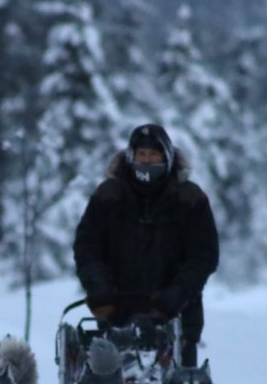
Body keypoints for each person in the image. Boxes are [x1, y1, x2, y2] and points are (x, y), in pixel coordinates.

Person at [73, 123, 219, 367]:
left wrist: (173, 299)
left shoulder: (190, 198)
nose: (147, 161)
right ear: (131, 157)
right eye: (142, 154)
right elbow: (87, 247)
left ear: (168, 157)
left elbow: (204, 257)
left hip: (177, 318)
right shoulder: (108, 195)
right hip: (116, 314)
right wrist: (100, 291)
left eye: (154, 154)